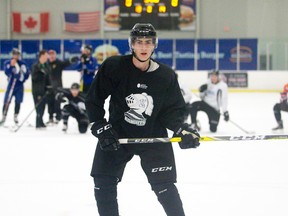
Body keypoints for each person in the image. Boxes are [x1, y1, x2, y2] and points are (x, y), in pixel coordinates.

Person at [85, 23, 200, 216]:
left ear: (155, 45)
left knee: (164, 185)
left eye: (148, 42)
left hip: (153, 136)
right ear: (132, 45)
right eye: (139, 42)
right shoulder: (114, 67)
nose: (144, 47)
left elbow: (172, 110)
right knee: (103, 180)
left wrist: (180, 129)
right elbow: (94, 98)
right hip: (117, 135)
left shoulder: (165, 75)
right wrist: (99, 125)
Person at [46, 49, 78, 125]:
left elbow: (65, 63)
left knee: (57, 102)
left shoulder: (58, 63)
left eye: (53, 54)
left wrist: (71, 60)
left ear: (55, 55)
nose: (52, 56)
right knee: (50, 102)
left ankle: (58, 117)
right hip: (49, 87)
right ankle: (50, 117)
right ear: (48, 56)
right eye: (50, 55)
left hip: (58, 87)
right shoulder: (46, 64)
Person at [0, 48, 30, 126]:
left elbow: (27, 74)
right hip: (11, 85)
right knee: (7, 100)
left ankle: (16, 116)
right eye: (14, 54)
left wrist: (21, 78)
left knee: (18, 101)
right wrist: (11, 66)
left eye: (17, 54)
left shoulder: (22, 64)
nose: (16, 56)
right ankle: (4, 116)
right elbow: (7, 72)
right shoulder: (8, 62)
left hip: (19, 86)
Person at [31, 49, 51, 129]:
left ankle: (41, 121)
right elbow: (34, 78)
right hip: (37, 90)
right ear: (42, 56)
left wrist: (49, 86)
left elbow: (48, 76)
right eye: (46, 55)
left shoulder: (46, 65)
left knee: (43, 106)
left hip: (44, 90)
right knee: (38, 106)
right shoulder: (35, 66)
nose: (47, 57)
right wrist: (40, 72)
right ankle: (38, 122)